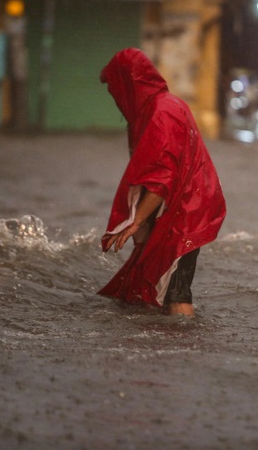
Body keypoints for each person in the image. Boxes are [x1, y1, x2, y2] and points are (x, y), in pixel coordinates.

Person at [98, 48, 226, 317]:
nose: (113, 96)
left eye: (115, 88)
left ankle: (180, 350)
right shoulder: (157, 109)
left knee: (177, 292)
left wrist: (136, 221)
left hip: (186, 211)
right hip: (184, 204)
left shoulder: (161, 113)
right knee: (156, 284)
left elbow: (161, 178)